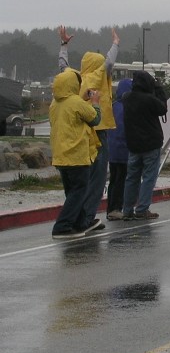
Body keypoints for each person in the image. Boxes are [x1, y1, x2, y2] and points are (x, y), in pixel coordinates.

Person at [58, 26, 119, 227]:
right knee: (97, 180)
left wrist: (64, 45)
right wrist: (115, 44)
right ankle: (87, 218)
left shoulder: (75, 79)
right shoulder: (100, 75)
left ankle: (79, 216)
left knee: (81, 180)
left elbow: (62, 67)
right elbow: (109, 61)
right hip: (99, 130)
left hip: (81, 135)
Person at [49, 68, 104, 238]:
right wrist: (95, 102)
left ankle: (81, 223)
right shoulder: (76, 103)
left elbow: (72, 109)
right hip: (77, 155)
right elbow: (95, 119)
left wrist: (82, 99)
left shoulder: (54, 104)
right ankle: (62, 226)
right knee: (79, 190)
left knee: (72, 191)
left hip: (60, 156)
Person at [121, 70, 169, 219]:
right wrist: (159, 88)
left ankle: (127, 210)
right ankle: (142, 209)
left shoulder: (126, 98)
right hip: (151, 143)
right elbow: (163, 108)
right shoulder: (149, 99)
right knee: (148, 177)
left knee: (131, 178)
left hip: (133, 144)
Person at [105, 78, 132, 220]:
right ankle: (116, 208)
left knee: (114, 180)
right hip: (123, 150)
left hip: (112, 150)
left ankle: (111, 207)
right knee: (122, 180)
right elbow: (124, 130)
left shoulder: (113, 106)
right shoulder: (126, 108)